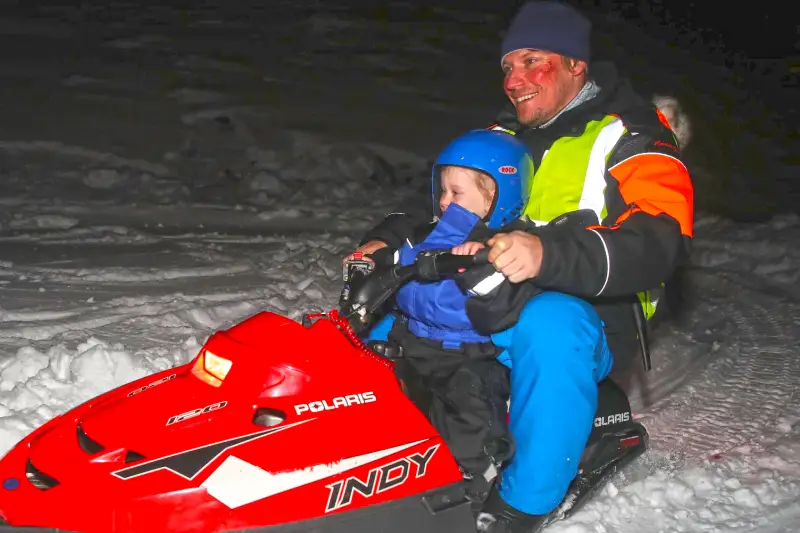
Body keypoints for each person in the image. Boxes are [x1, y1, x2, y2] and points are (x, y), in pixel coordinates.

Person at [346, 1, 694, 531]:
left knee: (548, 326)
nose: (515, 79)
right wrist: (382, 243)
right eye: (508, 66)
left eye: (533, 61)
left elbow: (661, 238)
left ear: (576, 64)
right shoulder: (504, 132)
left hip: (593, 310)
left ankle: (523, 503)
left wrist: (547, 253)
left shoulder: (632, 136)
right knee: (389, 308)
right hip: (486, 282)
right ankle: (369, 447)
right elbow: (445, 209)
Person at [357, 128, 536, 499]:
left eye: (456, 193)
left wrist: (478, 267)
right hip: (410, 342)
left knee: (468, 414)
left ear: (493, 201)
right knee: (372, 392)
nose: (443, 201)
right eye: (442, 191)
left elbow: (496, 311)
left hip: (466, 355)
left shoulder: (506, 248)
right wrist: (374, 265)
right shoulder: (429, 235)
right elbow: (399, 263)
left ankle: (473, 484)